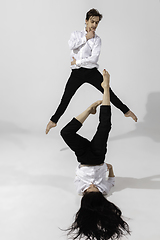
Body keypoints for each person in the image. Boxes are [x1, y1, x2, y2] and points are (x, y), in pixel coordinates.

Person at [60, 70, 131, 240]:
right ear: (100, 196)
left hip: (84, 157)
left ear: (84, 197)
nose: (92, 186)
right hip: (98, 157)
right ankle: (105, 88)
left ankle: (88, 110)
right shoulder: (104, 190)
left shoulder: (79, 189)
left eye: (88, 190)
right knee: (105, 126)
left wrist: (84, 172)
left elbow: (78, 176)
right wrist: (110, 169)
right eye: (95, 190)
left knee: (66, 133)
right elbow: (112, 181)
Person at [46, 8, 137, 134]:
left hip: (91, 72)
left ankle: (126, 111)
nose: (94, 25)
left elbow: (93, 59)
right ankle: (53, 121)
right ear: (86, 21)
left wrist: (77, 61)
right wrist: (86, 38)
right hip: (77, 73)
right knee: (66, 97)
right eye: (92, 22)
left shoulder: (98, 40)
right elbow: (71, 46)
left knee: (108, 91)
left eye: (97, 23)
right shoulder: (76, 34)